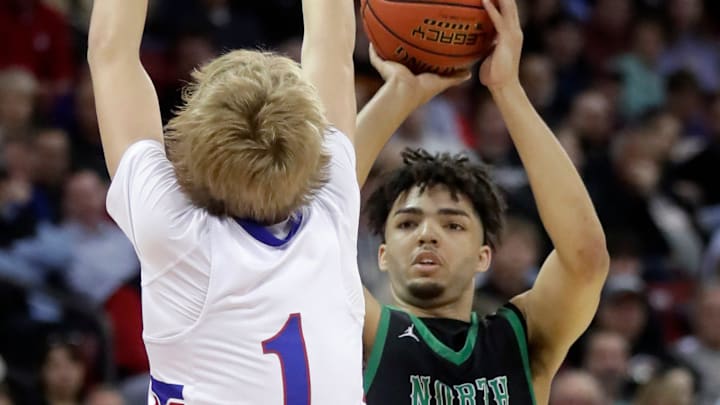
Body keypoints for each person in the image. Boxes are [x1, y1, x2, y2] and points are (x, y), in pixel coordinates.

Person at [87, 0, 363, 403]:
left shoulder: (178, 235)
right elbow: (333, 50)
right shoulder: (332, 205)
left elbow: (110, 52)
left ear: (190, 139)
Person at [355, 0, 609, 403]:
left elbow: (586, 258)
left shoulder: (519, 341)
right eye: (407, 223)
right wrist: (397, 96)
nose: (428, 235)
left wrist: (508, 89)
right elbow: (315, 223)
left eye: (453, 224)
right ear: (382, 255)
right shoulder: (365, 333)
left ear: (484, 257)